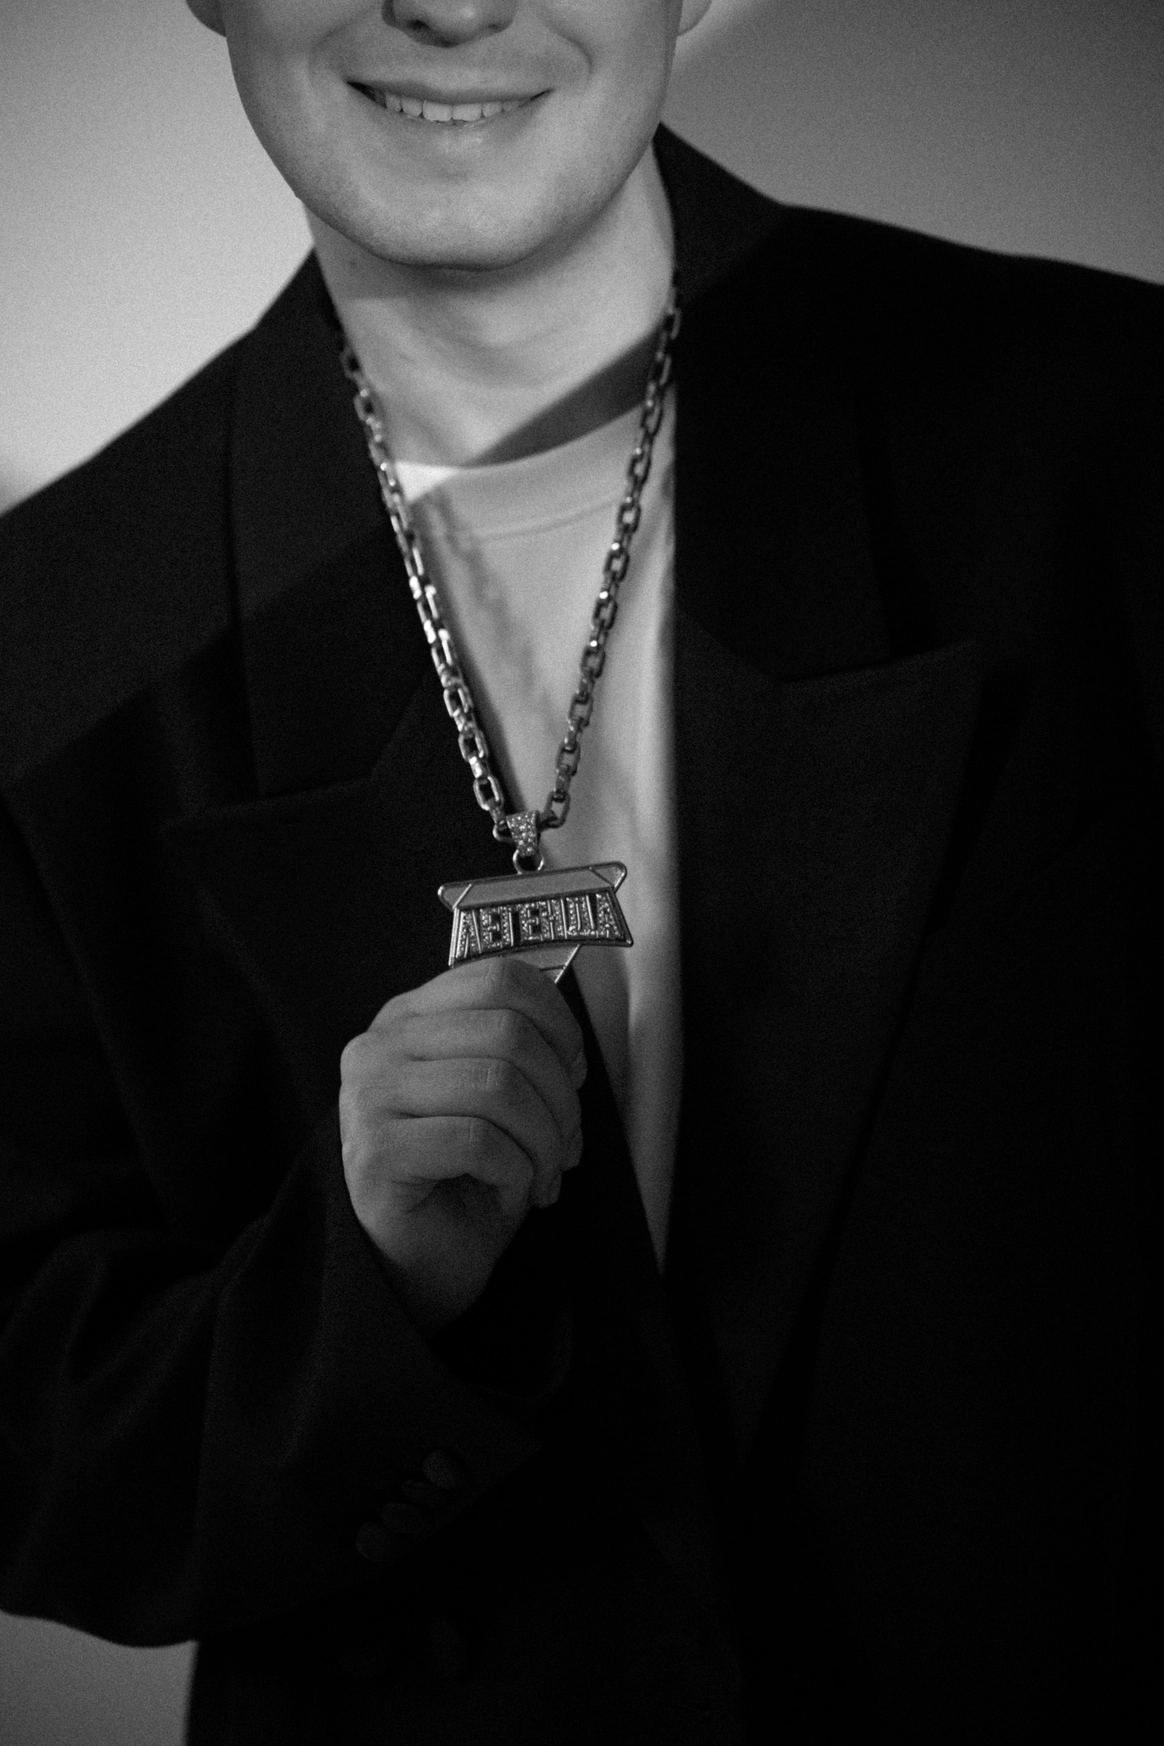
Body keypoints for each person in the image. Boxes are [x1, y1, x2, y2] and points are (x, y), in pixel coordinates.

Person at [0, 2, 1159, 1740]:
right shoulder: (41, 645)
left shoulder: (1113, 433)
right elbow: (37, 1438)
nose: (453, 2)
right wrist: (365, 1296)